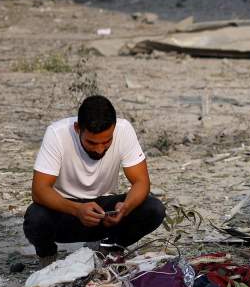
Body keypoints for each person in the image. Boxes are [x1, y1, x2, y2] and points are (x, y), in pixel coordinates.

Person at [23, 95, 166, 266]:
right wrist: (77, 210)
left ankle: (110, 248)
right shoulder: (57, 134)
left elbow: (141, 182)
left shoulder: (124, 130)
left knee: (153, 208)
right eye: (91, 143)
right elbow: (39, 191)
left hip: (104, 214)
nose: (99, 149)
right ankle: (48, 258)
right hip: (66, 211)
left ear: (114, 128)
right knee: (35, 218)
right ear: (77, 128)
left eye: (107, 142)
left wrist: (126, 207)